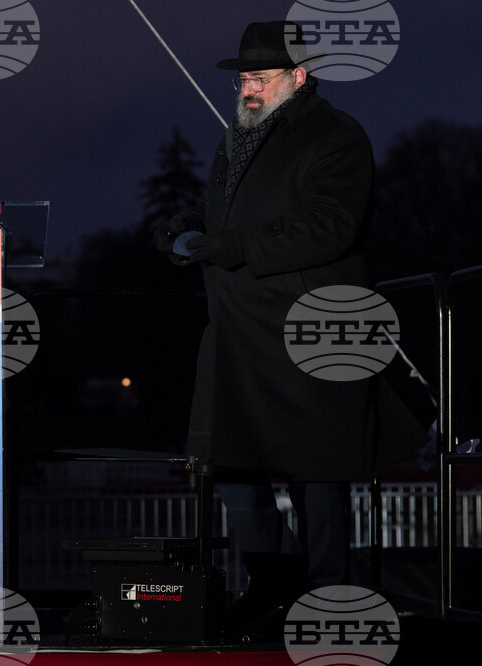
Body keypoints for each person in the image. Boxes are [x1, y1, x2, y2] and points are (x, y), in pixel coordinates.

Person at [154, 21, 424, 634]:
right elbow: (226, 213)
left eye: (260, 77)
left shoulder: (337, 136)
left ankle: (328, 594)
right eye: (243, 78)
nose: (247, 88)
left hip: (309, 328)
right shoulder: (238, 137)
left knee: (318, 475)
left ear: (298, 78)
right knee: (230, 472)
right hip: (238, 331)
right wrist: (181, 230)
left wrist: (231, 245)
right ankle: (274, 581)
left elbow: (332, 227)